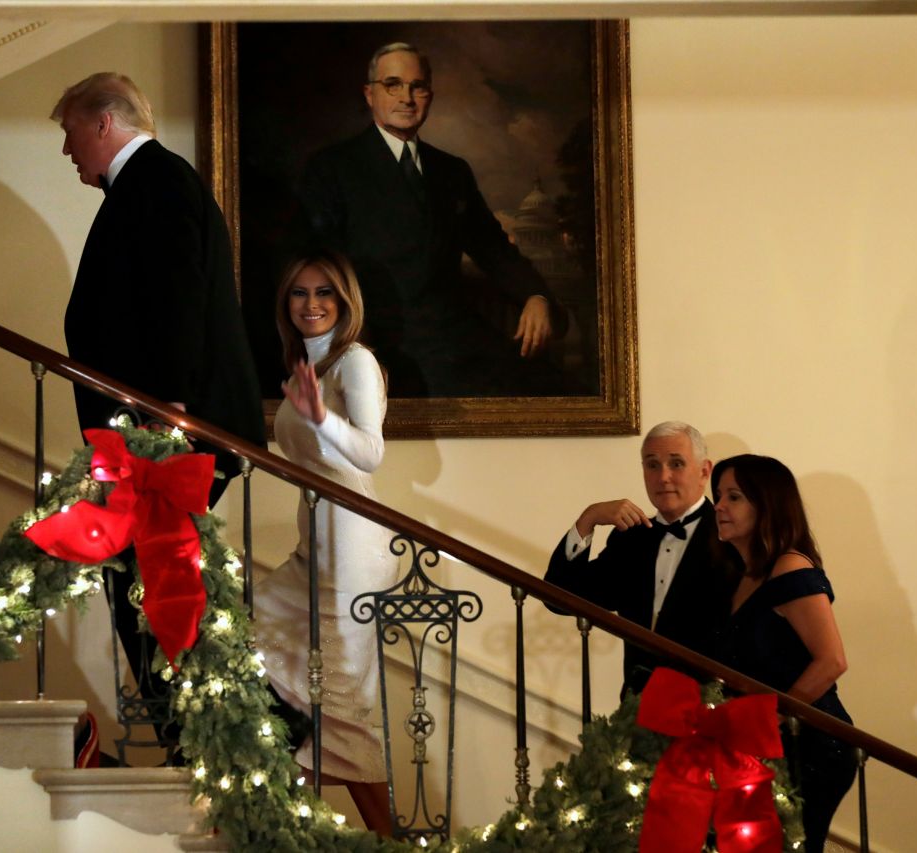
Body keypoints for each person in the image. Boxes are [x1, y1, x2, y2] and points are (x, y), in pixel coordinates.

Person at [51, 72, 266, 756]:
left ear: (104, 122)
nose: (67, 150)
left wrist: (169, 409)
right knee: (145, 575)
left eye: (69, 132)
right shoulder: (149, 181)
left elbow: (180, 291)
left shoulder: (158, 180)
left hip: (169, 426)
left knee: (143, 576)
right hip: (155, 425)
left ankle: (200, 735)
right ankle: (198, 733)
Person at [298, 42, 576, 398]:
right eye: (393, 85)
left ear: (429, 95)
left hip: (451, 335)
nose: (407, 97)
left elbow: (493, 248)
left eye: (418, 87)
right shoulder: (333, 168)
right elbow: (319, 267)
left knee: (551, 391)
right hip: (374, 337)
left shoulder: (452, 171)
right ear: (370, 94)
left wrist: (535, 295)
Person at [252, 251, 397, 835]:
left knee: (340, 701)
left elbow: (370, 453)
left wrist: (320, 418)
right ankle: (289, 820)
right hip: (316, 540)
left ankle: (389, 839)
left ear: (344, 303)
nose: (311, 305)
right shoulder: (303, 365)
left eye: (325, 294)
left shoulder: (354, 362)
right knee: (251, 640)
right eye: (299, 294)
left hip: (355, 543)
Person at [712, 454, 856, 853]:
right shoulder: (744, 574)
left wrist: (771, 717)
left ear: (768, 505)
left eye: (734, 497)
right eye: (719, 495)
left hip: (808, 744)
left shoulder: (790, 567)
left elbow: (832, 661)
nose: (720, 506)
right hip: (766, 745)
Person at [543, 421, 730, 697]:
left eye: (676, 464)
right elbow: (559, 598)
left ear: (704, 472)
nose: (663, 477)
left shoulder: (730, 536)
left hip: (712, 707)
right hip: (638, 707)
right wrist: (589, 518)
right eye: (652, 465)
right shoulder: (631, 539)